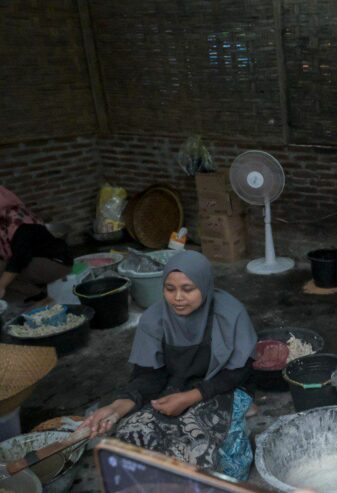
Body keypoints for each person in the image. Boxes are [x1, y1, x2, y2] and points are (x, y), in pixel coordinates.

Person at [82, 251, 258, 481]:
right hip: (174, 387)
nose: (177, 298)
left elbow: (239, 372)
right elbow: (149, 376)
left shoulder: (230, 314)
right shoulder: (154, 319)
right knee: (132, 433)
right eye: (170, 288)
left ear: (204, 286)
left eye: (188, 289)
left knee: (195, 444)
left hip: (224, 386)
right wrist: (117, 408)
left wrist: (190, 398)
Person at [0, 187, 72, 304]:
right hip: (34, 260)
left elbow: (19, 259)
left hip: (57, 263)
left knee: (3, 272)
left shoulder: (17, 221)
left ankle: (42, 298)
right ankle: (37, 294)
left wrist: (1, 286)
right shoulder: (3, 221)